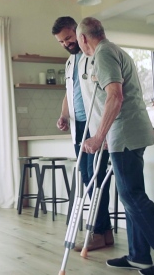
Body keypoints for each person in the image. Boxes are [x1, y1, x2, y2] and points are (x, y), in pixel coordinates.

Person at [77, 17, 154, 275]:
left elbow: (115, 97)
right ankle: (139, 256)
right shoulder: (114, 50)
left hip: (125, 134)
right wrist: (105, 135)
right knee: (132, 196)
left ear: (83, 38)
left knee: (132, 196)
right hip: (127, 133)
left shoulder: (103, 54)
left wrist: (98, 136)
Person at [51, 16, 112, 252]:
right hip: (78, 129)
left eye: (68, 38)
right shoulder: (69, 63)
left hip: (95, 127)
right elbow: (69, 93)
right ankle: (104, 232)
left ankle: (97, 231)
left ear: (78, 32)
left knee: (93, 177)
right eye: (61, 41)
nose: (66, 43)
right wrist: (63, 116)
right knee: (88, 178)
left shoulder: (94, 55)